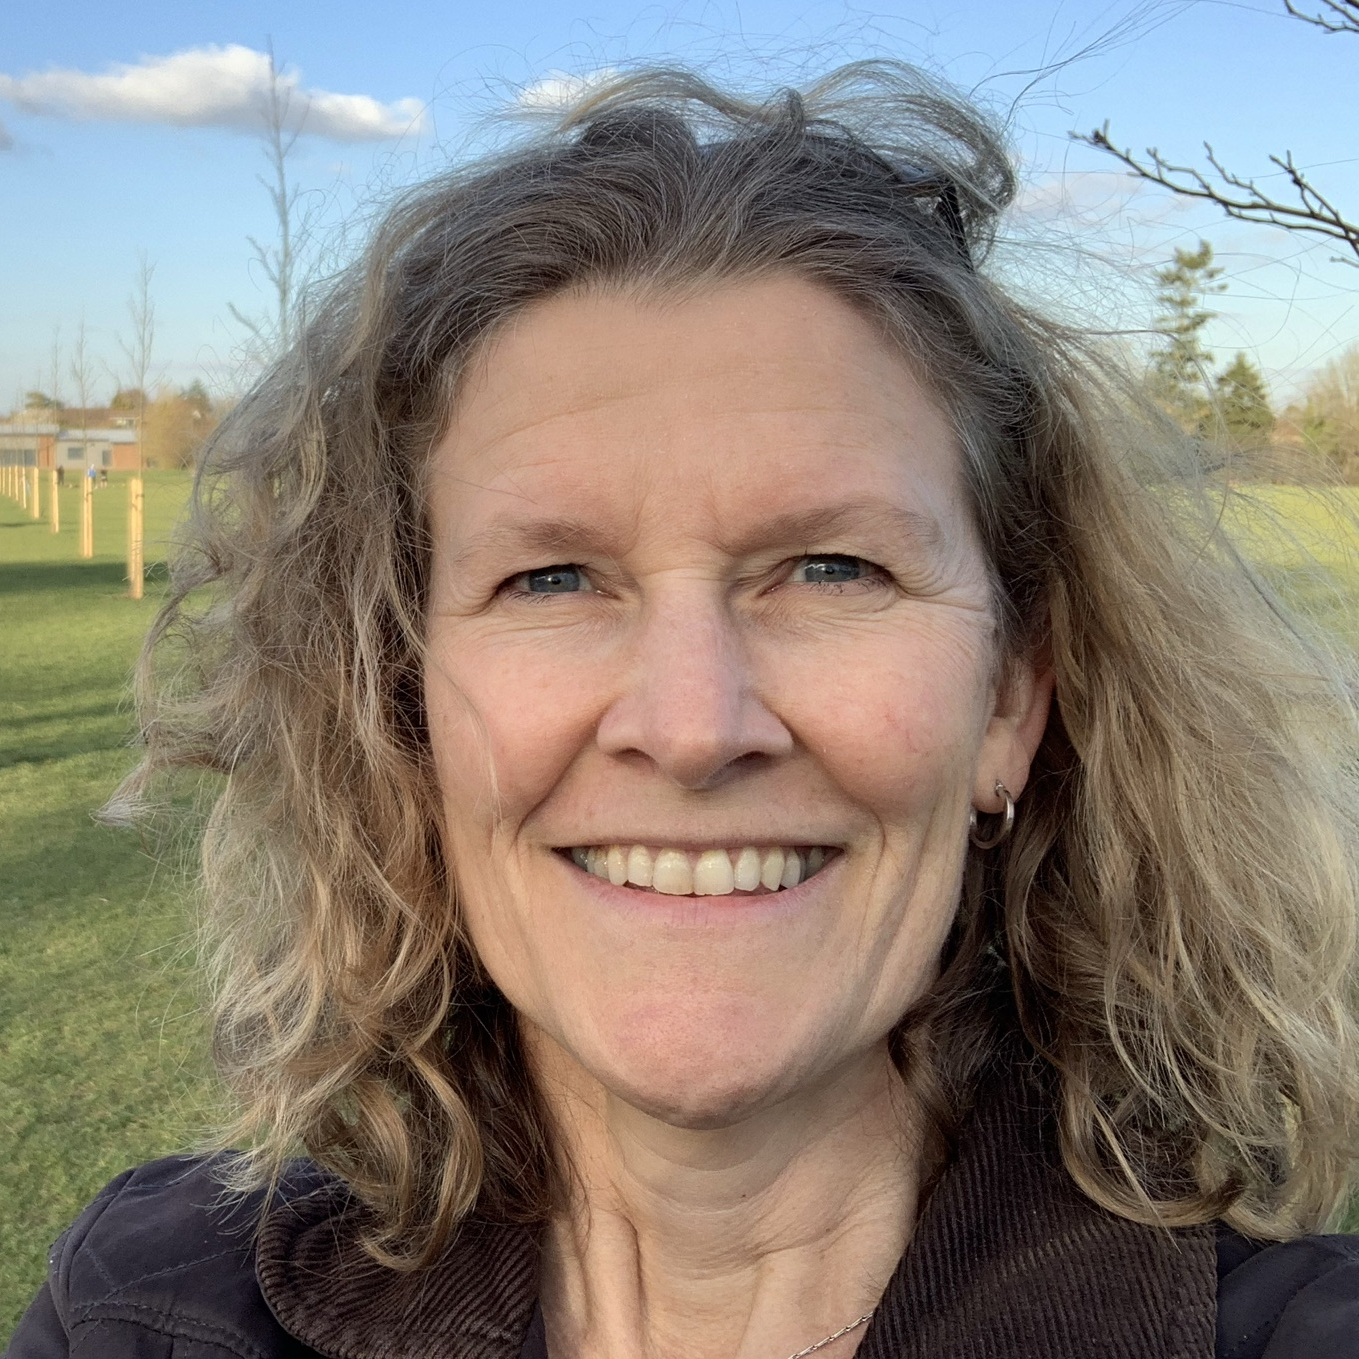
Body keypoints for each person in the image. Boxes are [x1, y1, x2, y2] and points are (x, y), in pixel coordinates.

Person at [8, 62, 1359, 1359]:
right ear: (401, 708)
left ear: (1008, 701)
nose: (694, 725)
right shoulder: (147, 1312)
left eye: (830, 568)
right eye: (551, 578)